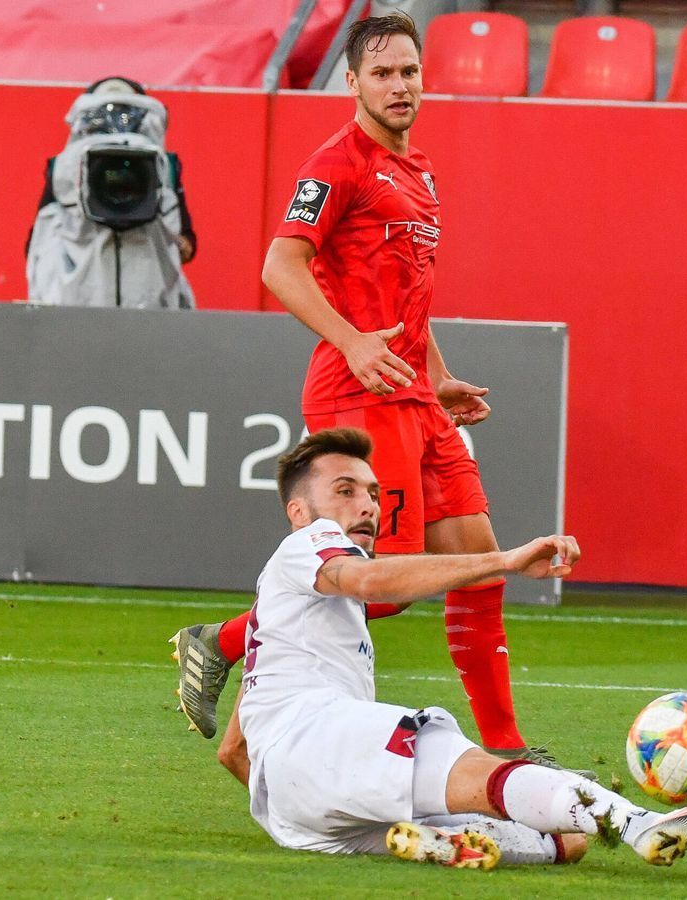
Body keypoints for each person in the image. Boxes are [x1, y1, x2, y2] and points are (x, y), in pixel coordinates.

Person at [168, 12, 570, 772]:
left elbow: (405, 294)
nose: (399, 85)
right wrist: (352, 341)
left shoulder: (418, 172)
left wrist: (437, 371)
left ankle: (510, 753)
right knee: (381, 590)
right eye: (382, 73)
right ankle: (218, 642)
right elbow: (280, 267)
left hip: (413, 393)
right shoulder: (335, 164)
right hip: (356, 395)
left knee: (480, 561)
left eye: (409, 72)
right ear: (351, 82)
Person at [227, 426, 687, 868]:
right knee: (485, 776)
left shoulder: (288, 618)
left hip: (297, 811)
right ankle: (641, 824)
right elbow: (369, 583)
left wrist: (303, 795)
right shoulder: (310, 544)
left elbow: (235, 750)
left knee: (562, 843)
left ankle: (436, 844)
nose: (367, 505)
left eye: (372, 492)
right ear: (299, 512)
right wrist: (505, 560)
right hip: (318, 744)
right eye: (344, 491)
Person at [26, 76, 196, 308]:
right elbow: (188, 246)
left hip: (89, 304)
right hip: (131, 305)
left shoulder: (164, 168)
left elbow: (35, 247)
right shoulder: (64, 169)